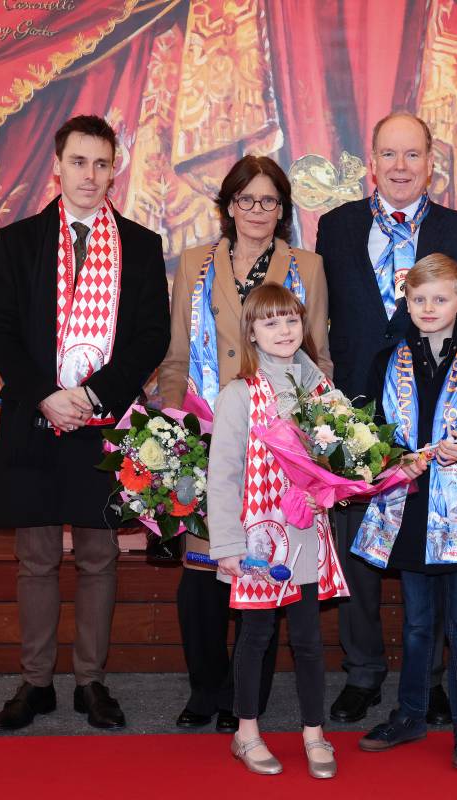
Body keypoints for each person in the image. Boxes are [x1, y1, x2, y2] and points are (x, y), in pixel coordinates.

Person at [316, 111, 457, 725]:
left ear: (432, 162)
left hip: (432, 409)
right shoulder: (336, 226)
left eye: (413, 155)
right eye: (389, 155)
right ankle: (364, 671)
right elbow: (325, 317)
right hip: (355, 412)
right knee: (360, 551)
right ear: (370, 162)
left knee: (428, 545)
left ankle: (425, 682)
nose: (400, 167)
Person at [0, 114, 170, 731]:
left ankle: (91, 681)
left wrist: (93, 397)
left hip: (104, 420)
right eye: (79, 162)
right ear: (56, 166)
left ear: (114, 169)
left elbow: (151, 337)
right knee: (35, 558)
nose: (90, 175)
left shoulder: (142, 245)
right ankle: (35, 683)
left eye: (101, 163)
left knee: (98, 555)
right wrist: (44, 395)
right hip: (36, 419)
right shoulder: (18, 241)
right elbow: (0, 333)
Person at [157, 155, 331, 732]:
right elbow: (177, 356)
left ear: (283, 210)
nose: (258, 211)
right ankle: (205, 689)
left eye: (270, 201)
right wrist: (172, 429)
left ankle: (243, 697)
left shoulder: (307, 266)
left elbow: (318, 357)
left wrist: (317, 439)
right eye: (247, 199)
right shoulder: (192, 264)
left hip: (281, 450)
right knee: (205, 568)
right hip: (211, 435)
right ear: (229, 205)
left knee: (263, 564)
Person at [355, 255, 457, 770]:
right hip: (409, 511)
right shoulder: (388, 359)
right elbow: (372, 432)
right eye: (419, 299)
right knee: (418, 625)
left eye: (440, 298)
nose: (429, 307)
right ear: (407, 302)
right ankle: (410, 715)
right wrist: (389, 455)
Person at [207, 283, 348, 777]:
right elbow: (221, 473)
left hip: (307, 533)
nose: (283, 331)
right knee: (256, 636)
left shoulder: (323, 391)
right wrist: (226, 545)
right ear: (251, 331)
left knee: (309, 638)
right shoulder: (238, 393)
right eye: (270, 322)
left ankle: (314, 734)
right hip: (257, 537)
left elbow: (342, 463)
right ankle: (246, 735)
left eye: (291, 320)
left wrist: (329, 490)